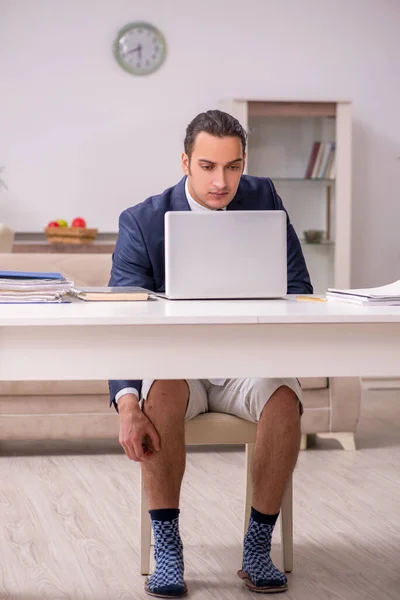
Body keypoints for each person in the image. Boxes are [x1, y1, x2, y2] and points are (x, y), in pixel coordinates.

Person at [109, 109, 313, 598]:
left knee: (285, 398)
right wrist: (127, 404)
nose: (222, 181)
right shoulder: (143, 220)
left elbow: (300, 286)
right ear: (185, 161)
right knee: (161, 393)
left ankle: (258, 547)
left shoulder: (264, 198)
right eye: (207, 166)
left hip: (247, 364)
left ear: (244, 163)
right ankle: (168, 548)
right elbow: (122, 320)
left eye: (233, 166)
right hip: (181, 371)